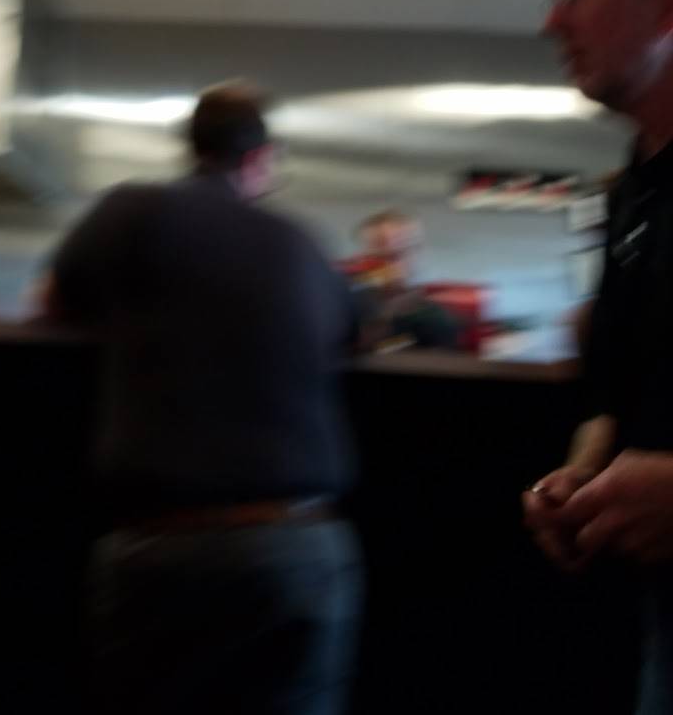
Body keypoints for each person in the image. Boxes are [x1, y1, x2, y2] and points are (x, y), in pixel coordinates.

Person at [40, 82, 363, 715]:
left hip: (165, 543)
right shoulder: (303, 242)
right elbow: (354, 335)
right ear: (261, 159)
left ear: (191, 147)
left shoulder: (130, 212)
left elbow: (52, 303)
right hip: (298, 543)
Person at [524, 0, 673, 713]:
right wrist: (580, 474)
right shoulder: (633, 185)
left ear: (667, 6)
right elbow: (613, 384)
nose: (552, 21)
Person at [346, 210, 462, 350]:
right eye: (376, 257)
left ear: (417, 253)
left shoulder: (433, 320)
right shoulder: (342, 307)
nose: (385, 266)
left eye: (395, 256)